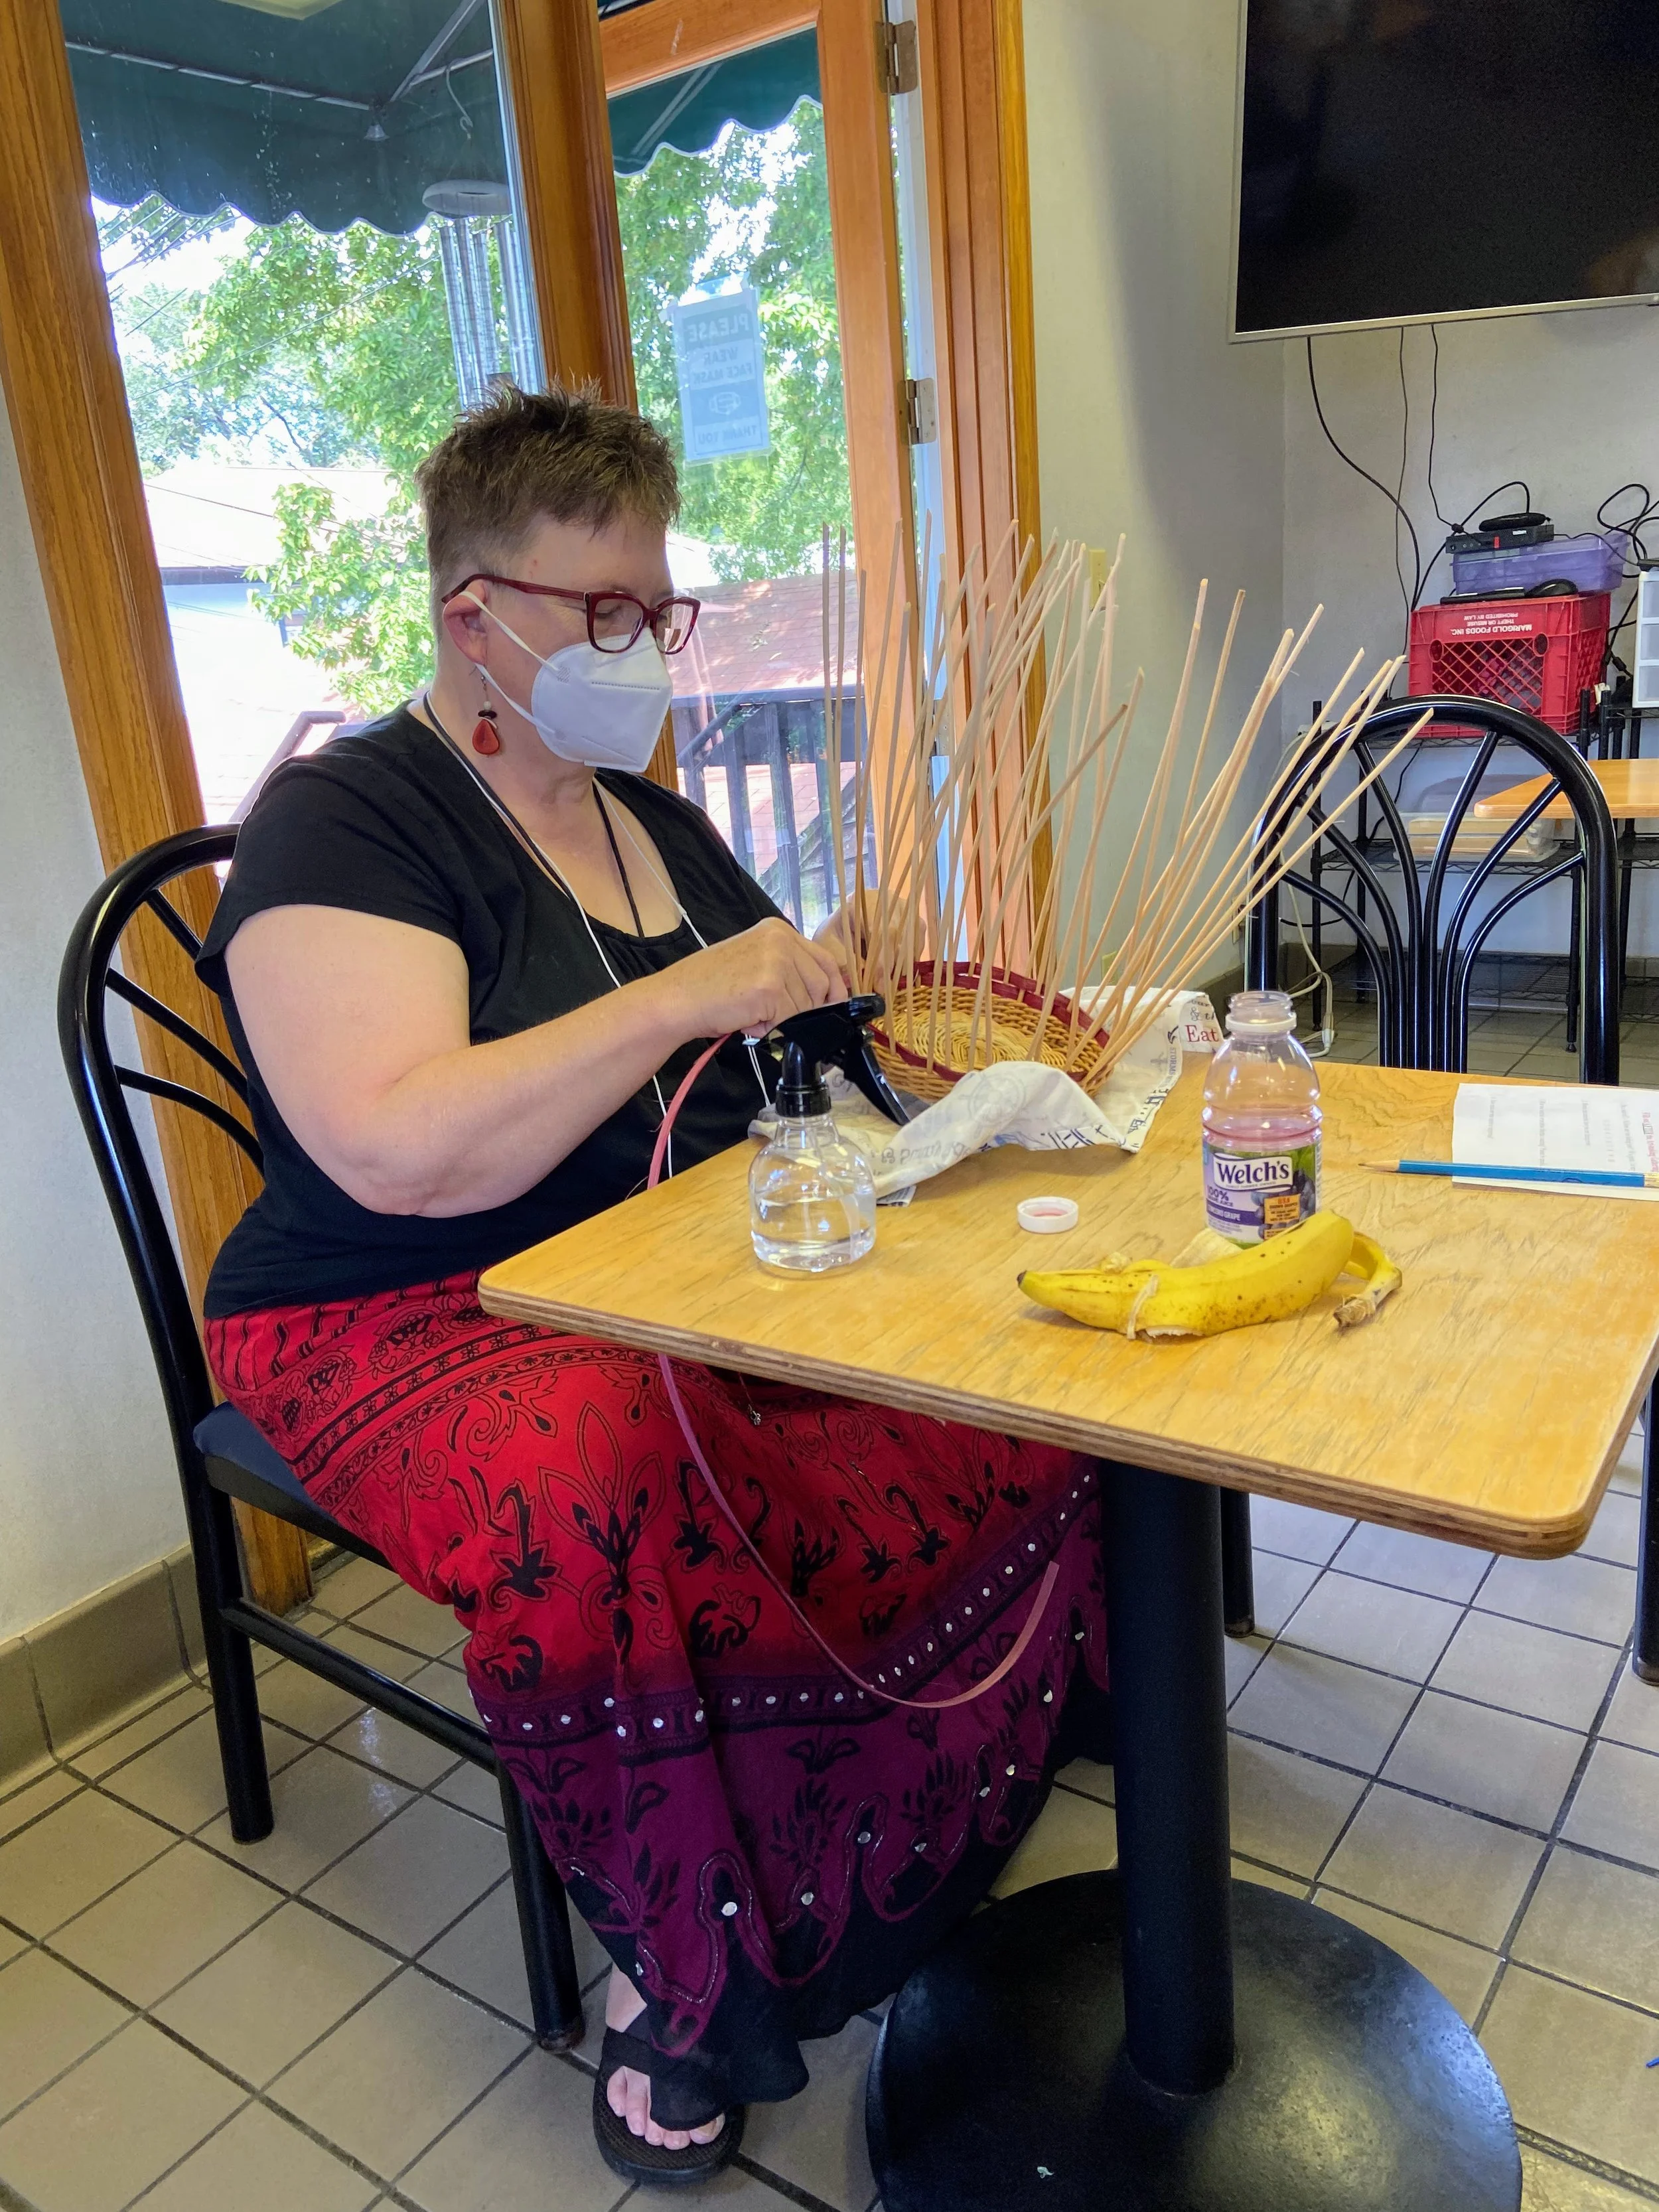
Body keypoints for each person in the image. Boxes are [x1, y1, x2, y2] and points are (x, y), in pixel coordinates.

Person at [198, 382, 1110, 2187]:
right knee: (617, 1461)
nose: (641, 648)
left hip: (655, 1272)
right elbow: (398, 1150)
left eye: (656, 610)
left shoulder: (647, 819)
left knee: (985, 1353)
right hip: (399, 1311)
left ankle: (935, 1798)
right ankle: (682, 1975)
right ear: (475, 615)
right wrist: (687, 995)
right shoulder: (347, 823)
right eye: (596, 612)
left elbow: (785, 1059)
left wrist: (934, 1071)